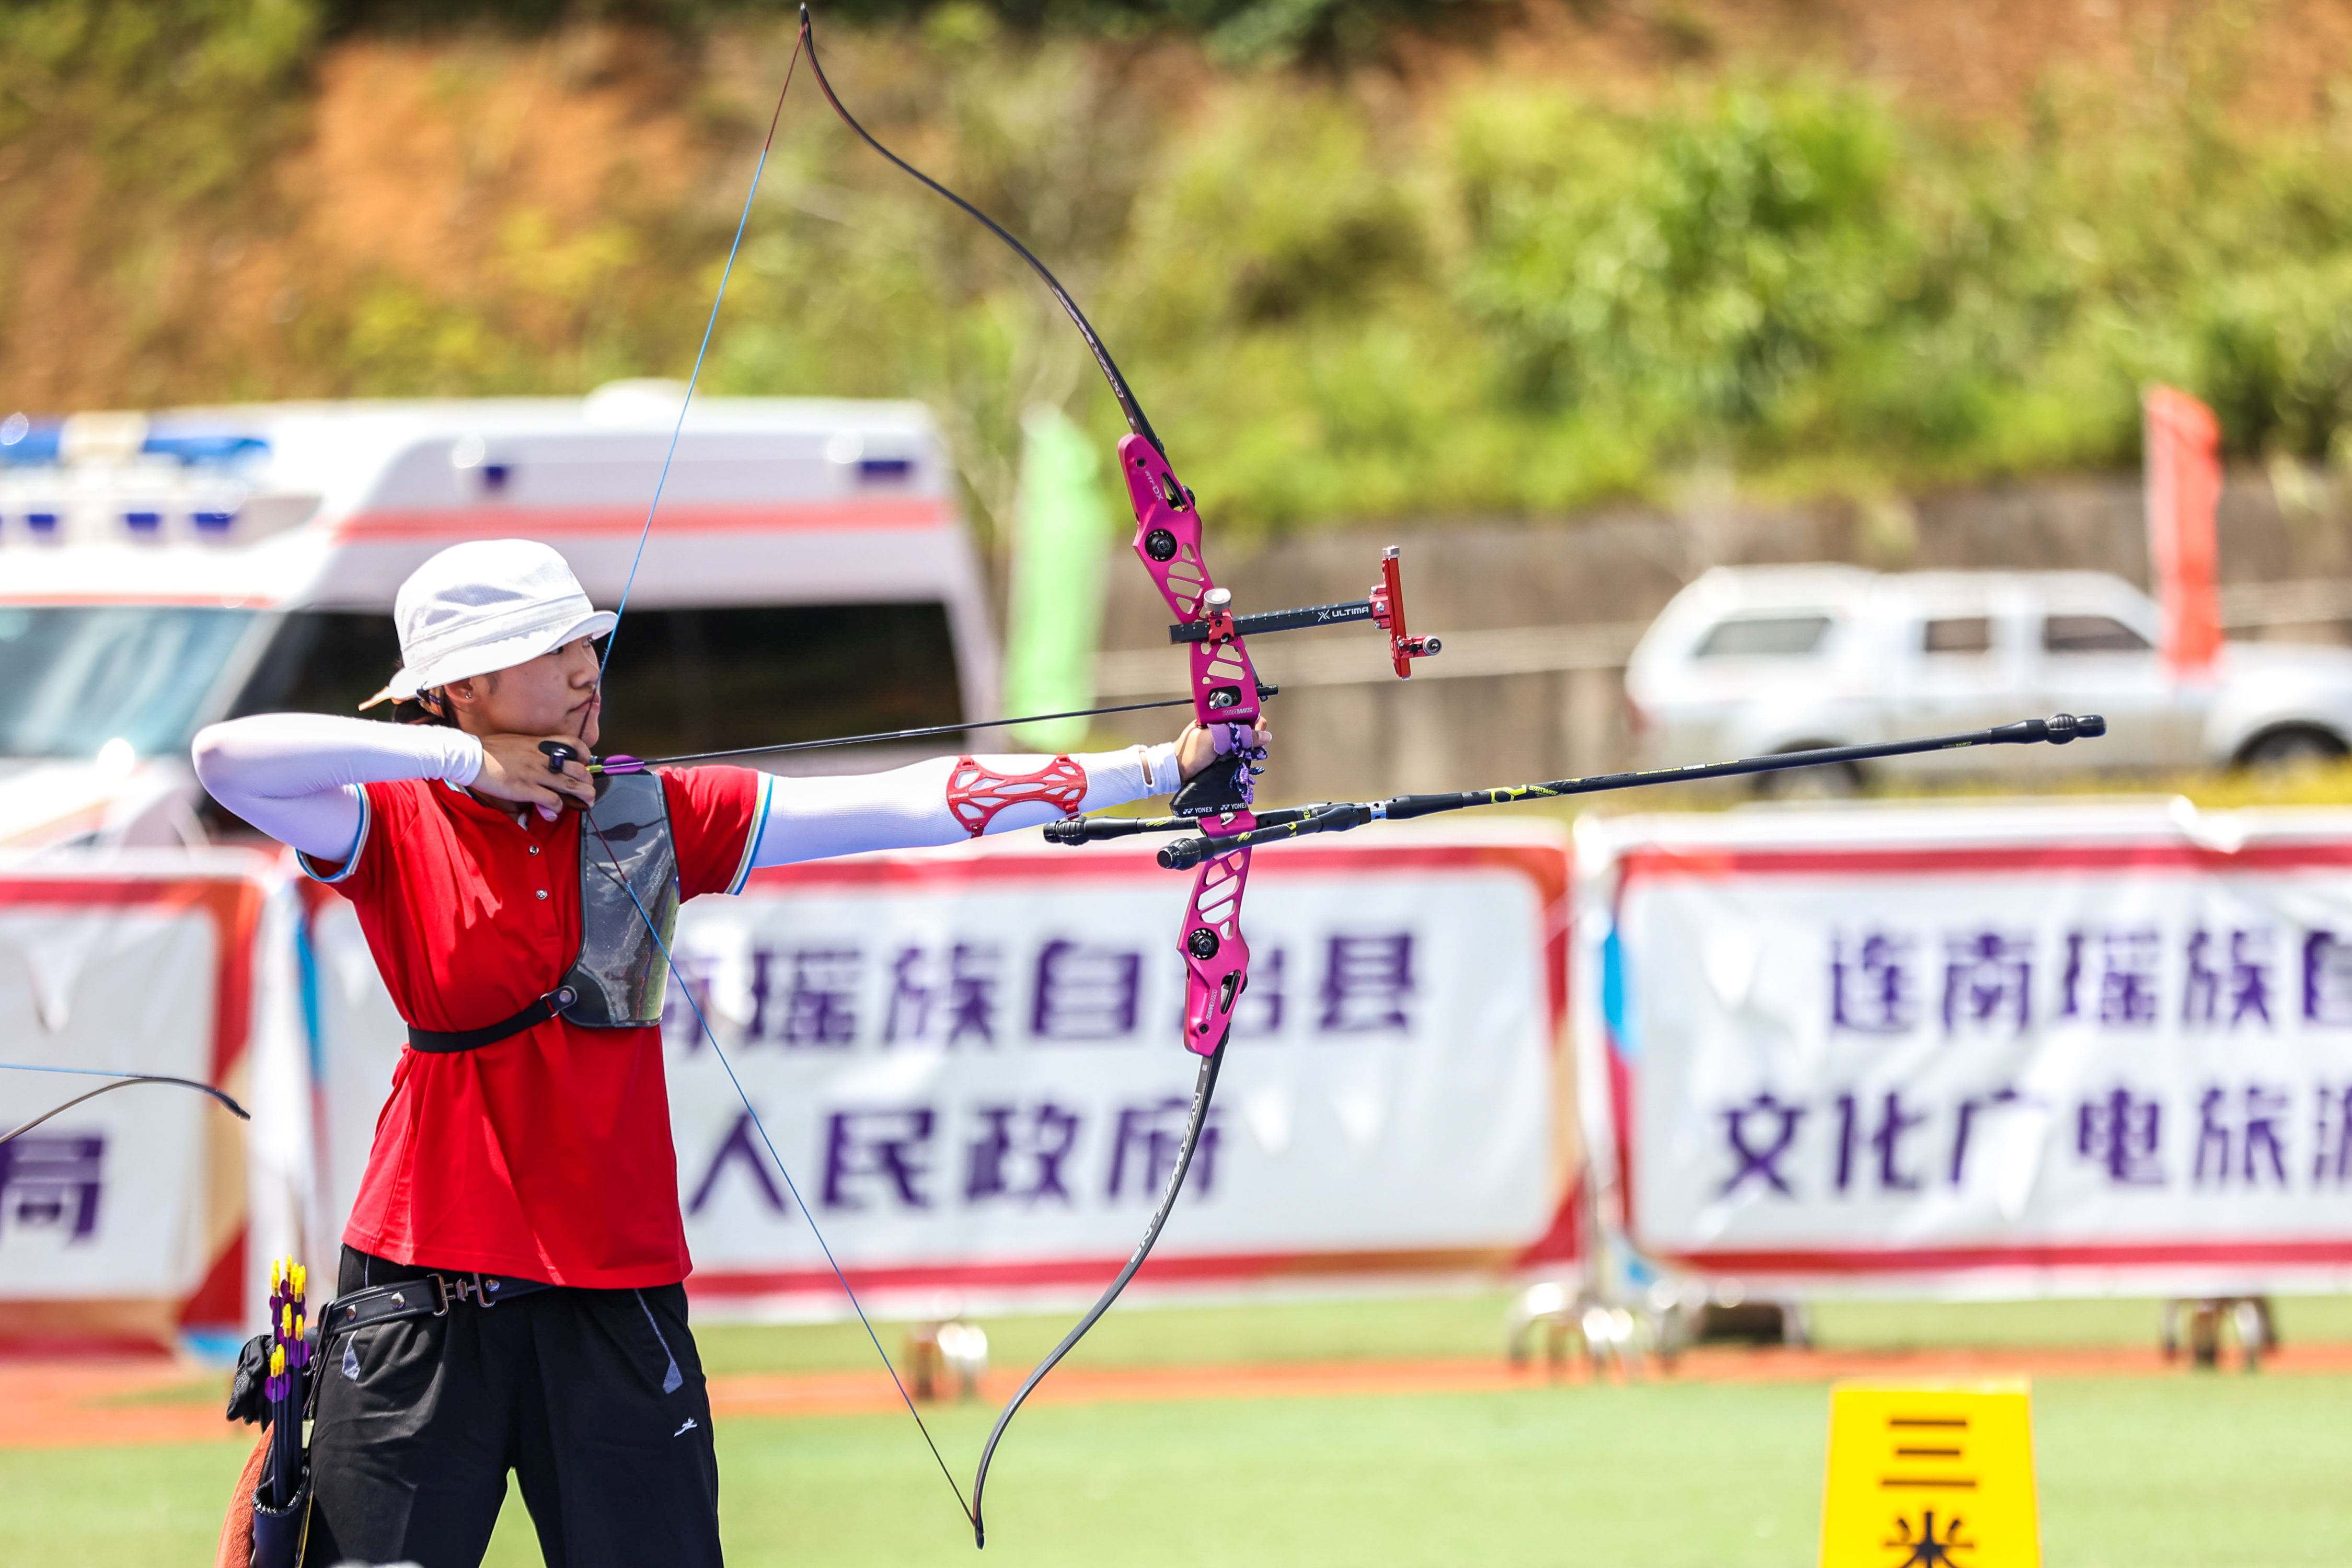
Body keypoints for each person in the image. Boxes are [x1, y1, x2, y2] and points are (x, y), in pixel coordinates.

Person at [192, 538, 1270, 1568]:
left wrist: (1159, 765)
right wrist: (468, 761)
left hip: (612, 1290)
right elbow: (226, 758)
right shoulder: (392, 819)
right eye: (548, 651)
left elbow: (903, 801)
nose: (585, 670)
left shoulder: (650, 814)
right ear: (461, 685)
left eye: (585, 642)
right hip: (425, 1286)